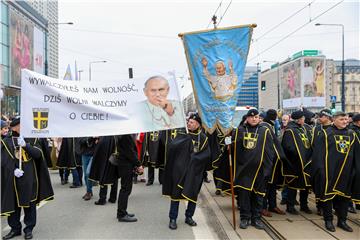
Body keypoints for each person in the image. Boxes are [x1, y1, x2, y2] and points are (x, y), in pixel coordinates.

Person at [1, 117, 54, 240]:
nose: (22, 127)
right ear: (13, 127)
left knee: (29, 204)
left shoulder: (32, 138)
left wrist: (26, 145)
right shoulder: (6, 141)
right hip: (13, 178)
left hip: (30, 177)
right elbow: (3, 161)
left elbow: (38, 154)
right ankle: (15, 229)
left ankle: (29, 229)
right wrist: (13, 169)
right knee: (14, 205)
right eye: (19, 126)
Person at [163, 113, 211, 230]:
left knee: (192, 195)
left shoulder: (203, 138)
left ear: (198, 124)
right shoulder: (182, 134)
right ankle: (172, 218)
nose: (189, 124)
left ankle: (189, 216)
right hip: (179, 171)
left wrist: (194, 159)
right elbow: (172, 148)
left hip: (194, 172)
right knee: (176, 194)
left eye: (192, 122)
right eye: (189, 122)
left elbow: (206, 154)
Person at [311, 111, 358, 232]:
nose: (345, 122)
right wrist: (320, 171)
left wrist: (355, 171)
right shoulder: (326, 134)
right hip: (329, 171)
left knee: (344, 198)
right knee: (328, 197)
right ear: (334, 120)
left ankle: (342, 221)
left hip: (346, 172)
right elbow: (318, 154)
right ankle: (328, 220)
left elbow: (357, 155)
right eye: (342, 119)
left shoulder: (352, 134)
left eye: (346, 120)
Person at [232, 109, 274, 230]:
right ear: (247, 118)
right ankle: (245, 218)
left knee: (258, 196)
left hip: (260, 170)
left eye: (256, 117)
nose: (254, 119)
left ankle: (256, 218)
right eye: (251, 117)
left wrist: (267, 168)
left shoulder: (264, 131)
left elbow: (269, 151)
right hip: (244, 170)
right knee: (244, 196)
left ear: (259, 118)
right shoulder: (240, 130)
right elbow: (236, 149)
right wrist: (229, 142)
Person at [282, 110, 312, 215]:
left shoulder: (302, 129)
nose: (304, 120)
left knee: (305, 186)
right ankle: (290, 206)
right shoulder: (290, 130)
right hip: (295, 164)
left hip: (305, 163)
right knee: (293, 186)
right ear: (299, 119)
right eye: (303, 118)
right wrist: (299, 157)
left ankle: (304, 205)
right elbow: (288, 147)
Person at [260, 109, 286, 217]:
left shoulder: (269, 125)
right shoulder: (265, 127)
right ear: (274, 117)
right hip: (268, 161)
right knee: (266, 185)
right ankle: (263, 207)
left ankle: (273, 205)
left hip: (274, 161)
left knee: (273, 185)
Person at [114, 134, 144, 222]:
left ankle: (122, 212)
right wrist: (138, 164)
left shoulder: (124, 134)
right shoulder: (125, 135)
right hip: (125, 165)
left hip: (125, 164)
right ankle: (121, 214)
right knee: (125, 189)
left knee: (125, 189)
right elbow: (130, 152)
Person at [310, 108, 333, 216]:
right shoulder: (316, 129)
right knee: (318, 184)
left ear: (327, 117)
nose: (319, 118)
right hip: (318, 161)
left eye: (321, 116)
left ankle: (329, 206)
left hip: (331, 162)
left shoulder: (334, 129)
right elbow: (312, 145)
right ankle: (320, 206)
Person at [89, 136, 119, 205]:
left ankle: (102, 199)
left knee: (104, 177)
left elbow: (100, 148)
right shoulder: (116, 135)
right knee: (114, 177)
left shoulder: (105, 136)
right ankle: (113, 198)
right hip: (115, 158)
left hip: (106, 159)